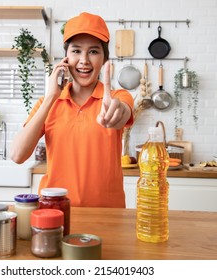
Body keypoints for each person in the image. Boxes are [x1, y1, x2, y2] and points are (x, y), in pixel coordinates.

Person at [10, 12, 134, 207]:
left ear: (104, 59)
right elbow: (17, 155)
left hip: (109, 215)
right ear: (66, 58)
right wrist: (51, 96)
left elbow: (122, 111)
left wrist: (117, 112)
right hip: (55, 211)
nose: (84, 60)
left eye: (93, 51)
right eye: (76, 51)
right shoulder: (47, 103)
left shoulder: (118, 97)